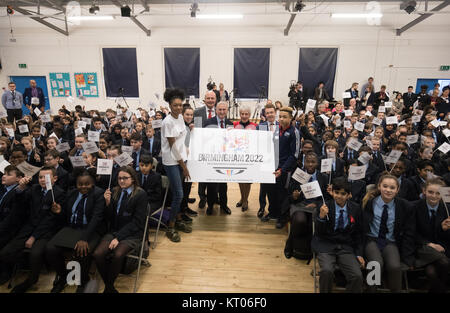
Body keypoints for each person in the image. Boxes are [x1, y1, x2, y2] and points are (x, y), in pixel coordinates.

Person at [0, 166, 65, 293]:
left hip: (46, 231)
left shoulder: (59, 193)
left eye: (46, 177)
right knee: (5, 253)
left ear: (55, 179)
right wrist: (21, 189)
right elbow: (21, 205)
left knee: (35, 254)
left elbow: (50, 221)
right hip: (29, 227)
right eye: (40, 177)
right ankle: (17, 268)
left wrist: (34, 237)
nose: (42, 180)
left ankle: (32, 280)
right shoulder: (34, 189)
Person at [46, 169, 106, 293]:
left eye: (87, 184)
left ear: (92, 183)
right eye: (80, 184)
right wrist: (59, 212)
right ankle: (63, 277)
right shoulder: (72, 193)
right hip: (72, 228)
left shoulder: (99, 194)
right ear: (76, 184)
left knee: (82, 250)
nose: (83, 186)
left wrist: (84, 238)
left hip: (90, 230)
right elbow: (67, 215)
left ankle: (83, 281)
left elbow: (96, 218)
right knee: (50, 249)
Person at [92, 166, 147, 293]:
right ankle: (110, 287)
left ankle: (108, 287)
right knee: (98, 254)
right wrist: (107, 203)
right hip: (114, 231)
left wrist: (118, 238)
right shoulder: (115, 191)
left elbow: (137, 222)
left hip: (132, 233)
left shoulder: (140, 194)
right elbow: (110, 218)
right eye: (119, 178)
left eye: (125, 178)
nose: (121, 181)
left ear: (132, 179)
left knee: (118, 255)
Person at [362, 173, 415, 292]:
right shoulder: (370, 203)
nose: (388, 190)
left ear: (397, 190)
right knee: (376, 264)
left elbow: (408, 233)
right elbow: (362, 227)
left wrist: (408, 257)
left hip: (390, 241)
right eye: (385, 186)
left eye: (392, 188)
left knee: (395, 267)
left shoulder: (404, 206)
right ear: (379, 187)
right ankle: (371, 290)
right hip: (372, 239)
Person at [312, 177, 364, 293]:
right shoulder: (325, 206)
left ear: (349, 195)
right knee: (326, 271)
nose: (339, 196)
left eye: (343, 194)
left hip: (345, 246)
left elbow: (358, 233)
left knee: (357, 276)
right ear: (332, 192)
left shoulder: (355, 208)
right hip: (325, 244)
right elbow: (319, 233)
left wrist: (359, 253)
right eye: (336, 193)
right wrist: (321, 217)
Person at [161, 88, 192, 242]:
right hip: (172, 161)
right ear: (169, 105)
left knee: (178, 194)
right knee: (179, 194)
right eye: (175, 105)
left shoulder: (180, 117)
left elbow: (181, 139)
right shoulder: (167, 122)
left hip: (180, 158)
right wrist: (184, 167)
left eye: (180, 105)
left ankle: (178, 219)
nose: (179, 108)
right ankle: (170, 226)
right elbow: (173, 147)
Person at [263, 107, 300, 229]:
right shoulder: (276, 130)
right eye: (280, 116)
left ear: (290, 118)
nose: (282, 119)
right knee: (271, 191)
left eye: (285, 117)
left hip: (285, 170)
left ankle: (282, 217)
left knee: (282, 194)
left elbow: (294, 155)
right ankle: (273, 212)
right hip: (272, 168)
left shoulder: (294, 132)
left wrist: (282, 169)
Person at [413, 178, 449, 293]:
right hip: (422, 248)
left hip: (442, 247)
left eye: (438, 193)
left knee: (431, 273)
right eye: (430, 192)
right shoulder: (414, 207)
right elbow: (412, 233)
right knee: (444, 262)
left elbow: (446, 238)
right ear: (424, 191)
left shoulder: (447, 209)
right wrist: (429, 244)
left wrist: (444, 229)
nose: (434, 196)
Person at [203, 101, 234, 215]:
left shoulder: (230, 124)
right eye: (219, 110)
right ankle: (210, 205)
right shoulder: (207, 122)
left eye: (224, 110)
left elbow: (232, 143)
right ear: (216, 110)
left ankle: (224, 205)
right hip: (212, 158)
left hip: (225, 159)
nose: (221, 112)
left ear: (227, 111)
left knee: (223, 184)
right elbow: (204, 140)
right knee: (211, 184)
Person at [0, 165, 25, 284]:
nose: (4, 176)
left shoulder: (19, 192)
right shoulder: (3, 189)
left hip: (12, 229)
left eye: (9, 174)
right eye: (4, 173)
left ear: (18, 178)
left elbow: (12, 217)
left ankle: (5, 273)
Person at [194, 90, 216, 209]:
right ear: (204, 99)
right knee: (202, 176)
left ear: (215, 100)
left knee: (214, 174)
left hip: (216, 150)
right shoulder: (197, 112)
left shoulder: (220, 111)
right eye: (208, 98)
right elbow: (196, 130)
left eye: (212, 98)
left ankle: (214, 198)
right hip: (202, 149)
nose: (210, 100)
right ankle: (202, 197)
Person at [233, 105, 257, 212]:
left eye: (246, 114)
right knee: (240, 179)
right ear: (239, 114)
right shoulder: (234, 125)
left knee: (247, 180)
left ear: (249, 115)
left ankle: (245, 200)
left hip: (250, 157)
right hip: (238, 156)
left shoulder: (255, 126)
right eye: (242, 114)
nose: (244, 116)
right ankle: (242, 198)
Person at [257, 103, 279, 219]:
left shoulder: (281, 126)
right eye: (267, 113)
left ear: (275, 113)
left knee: (274, 188)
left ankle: (273, 209)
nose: (270, 115)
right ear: (265, 114)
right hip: (264, 162)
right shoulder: (260, 126)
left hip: (277, 162)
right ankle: (262, 207)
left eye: (271, 112)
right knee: (263, 187)